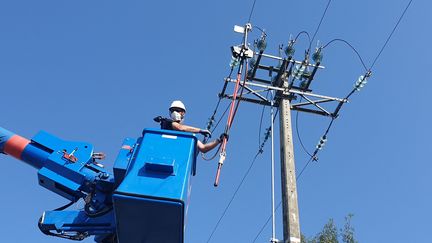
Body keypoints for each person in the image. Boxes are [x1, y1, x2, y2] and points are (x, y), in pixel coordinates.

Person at [154, 100, 226, 153]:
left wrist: (219, 140)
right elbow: (180, 128)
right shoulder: (167, 123)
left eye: (177, 110)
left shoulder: (187, 136)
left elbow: (203, 148)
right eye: (172, 110)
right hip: (163, 151)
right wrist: (200, 130)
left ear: (183, 113)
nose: (174, 113)